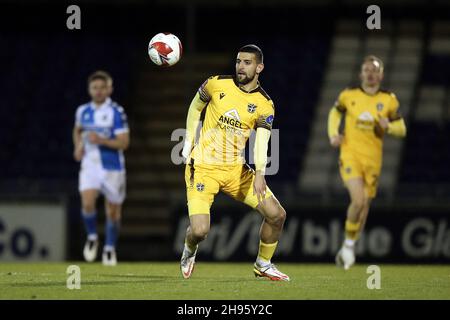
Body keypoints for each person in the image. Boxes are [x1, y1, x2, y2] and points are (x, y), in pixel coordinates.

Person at [180, 45, 289, 281]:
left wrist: (260, 172)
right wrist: (188, 140)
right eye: (238, 61)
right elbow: (195, 106)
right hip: (203, 168)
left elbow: (262, 141)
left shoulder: (264, 104)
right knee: (200, 231)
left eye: (247, 63)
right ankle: (189, 249)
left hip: (235, 172)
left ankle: (263, 263)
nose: (240, 66)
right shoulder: (215, 83)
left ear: (259, 67)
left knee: (277, 215)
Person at [328, 56, 407, 270]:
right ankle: (348, 246)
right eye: (366, 69)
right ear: (361, 74)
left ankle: (348, 246)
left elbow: (402, 129)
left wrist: (388, 126)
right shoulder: (349, 95)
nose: (370, 73)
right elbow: (335, 112)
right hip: (350, 154)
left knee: (364, 207)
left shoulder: (389, 100)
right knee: (358, 199)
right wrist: (333, 134)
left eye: (374, 70)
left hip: (373, 161)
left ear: (381, 75)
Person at [73, 70, 130, 266]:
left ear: (109, 89)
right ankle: (92, 237)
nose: (98, 91)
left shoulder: (116, 112)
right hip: (90, 165)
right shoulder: (82, 111)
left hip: (113, 167)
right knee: (87, 202)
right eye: (94, 88)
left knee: (113, 211)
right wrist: (78, 147)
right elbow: (78, 130)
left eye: (102, 87)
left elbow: (124, 143)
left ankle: (109, 248)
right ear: (89, 89)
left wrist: (102, 140)